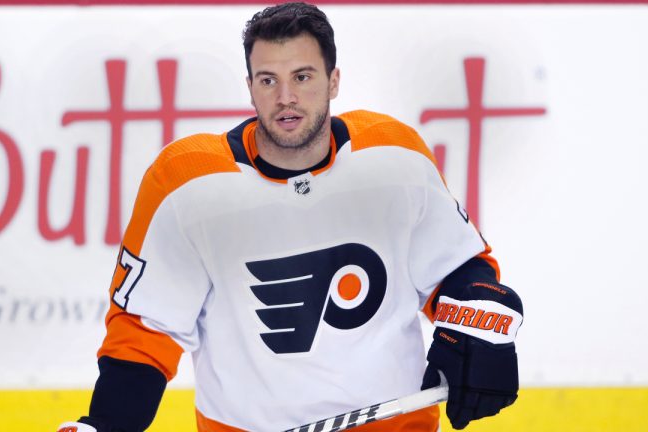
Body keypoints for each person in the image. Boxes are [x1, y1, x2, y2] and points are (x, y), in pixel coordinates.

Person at [58, 2, 523, 432]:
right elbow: (145, 330)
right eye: (267, 80)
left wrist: (479, 317)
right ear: (250, 87)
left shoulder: (394, 157)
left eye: (302, 77)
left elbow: (455, 269)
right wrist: (106, 424)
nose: (285, 98)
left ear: (333, 81)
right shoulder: (185, 184)